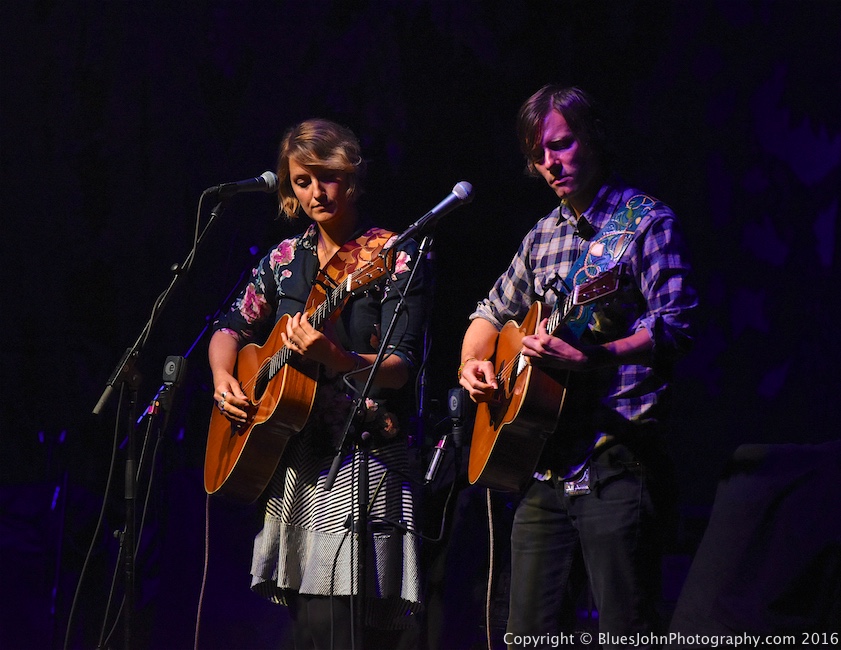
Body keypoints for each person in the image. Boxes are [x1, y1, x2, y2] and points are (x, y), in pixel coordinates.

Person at [458, 86, 698, 646]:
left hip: (618, 458)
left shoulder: (646, 223)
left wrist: (593, 357)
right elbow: (489, 312)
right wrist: (473, 361)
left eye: (561, 146)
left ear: (592, 138)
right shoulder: (542, 235)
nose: (549, 164)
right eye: (538, 155)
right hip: (542, 466)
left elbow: (678, 324)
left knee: (626, 631)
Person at [208, 118, 426, 649]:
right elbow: (229, 329)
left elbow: (401, 363)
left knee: (356, 624)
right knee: (309, 626)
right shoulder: (284, 261)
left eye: (324, 177)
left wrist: (335, 356)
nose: (314, 193)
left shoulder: (393, 254)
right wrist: (222, 378)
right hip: (298, 460)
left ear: (350, 176)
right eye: (301, 182)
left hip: (365, 457)